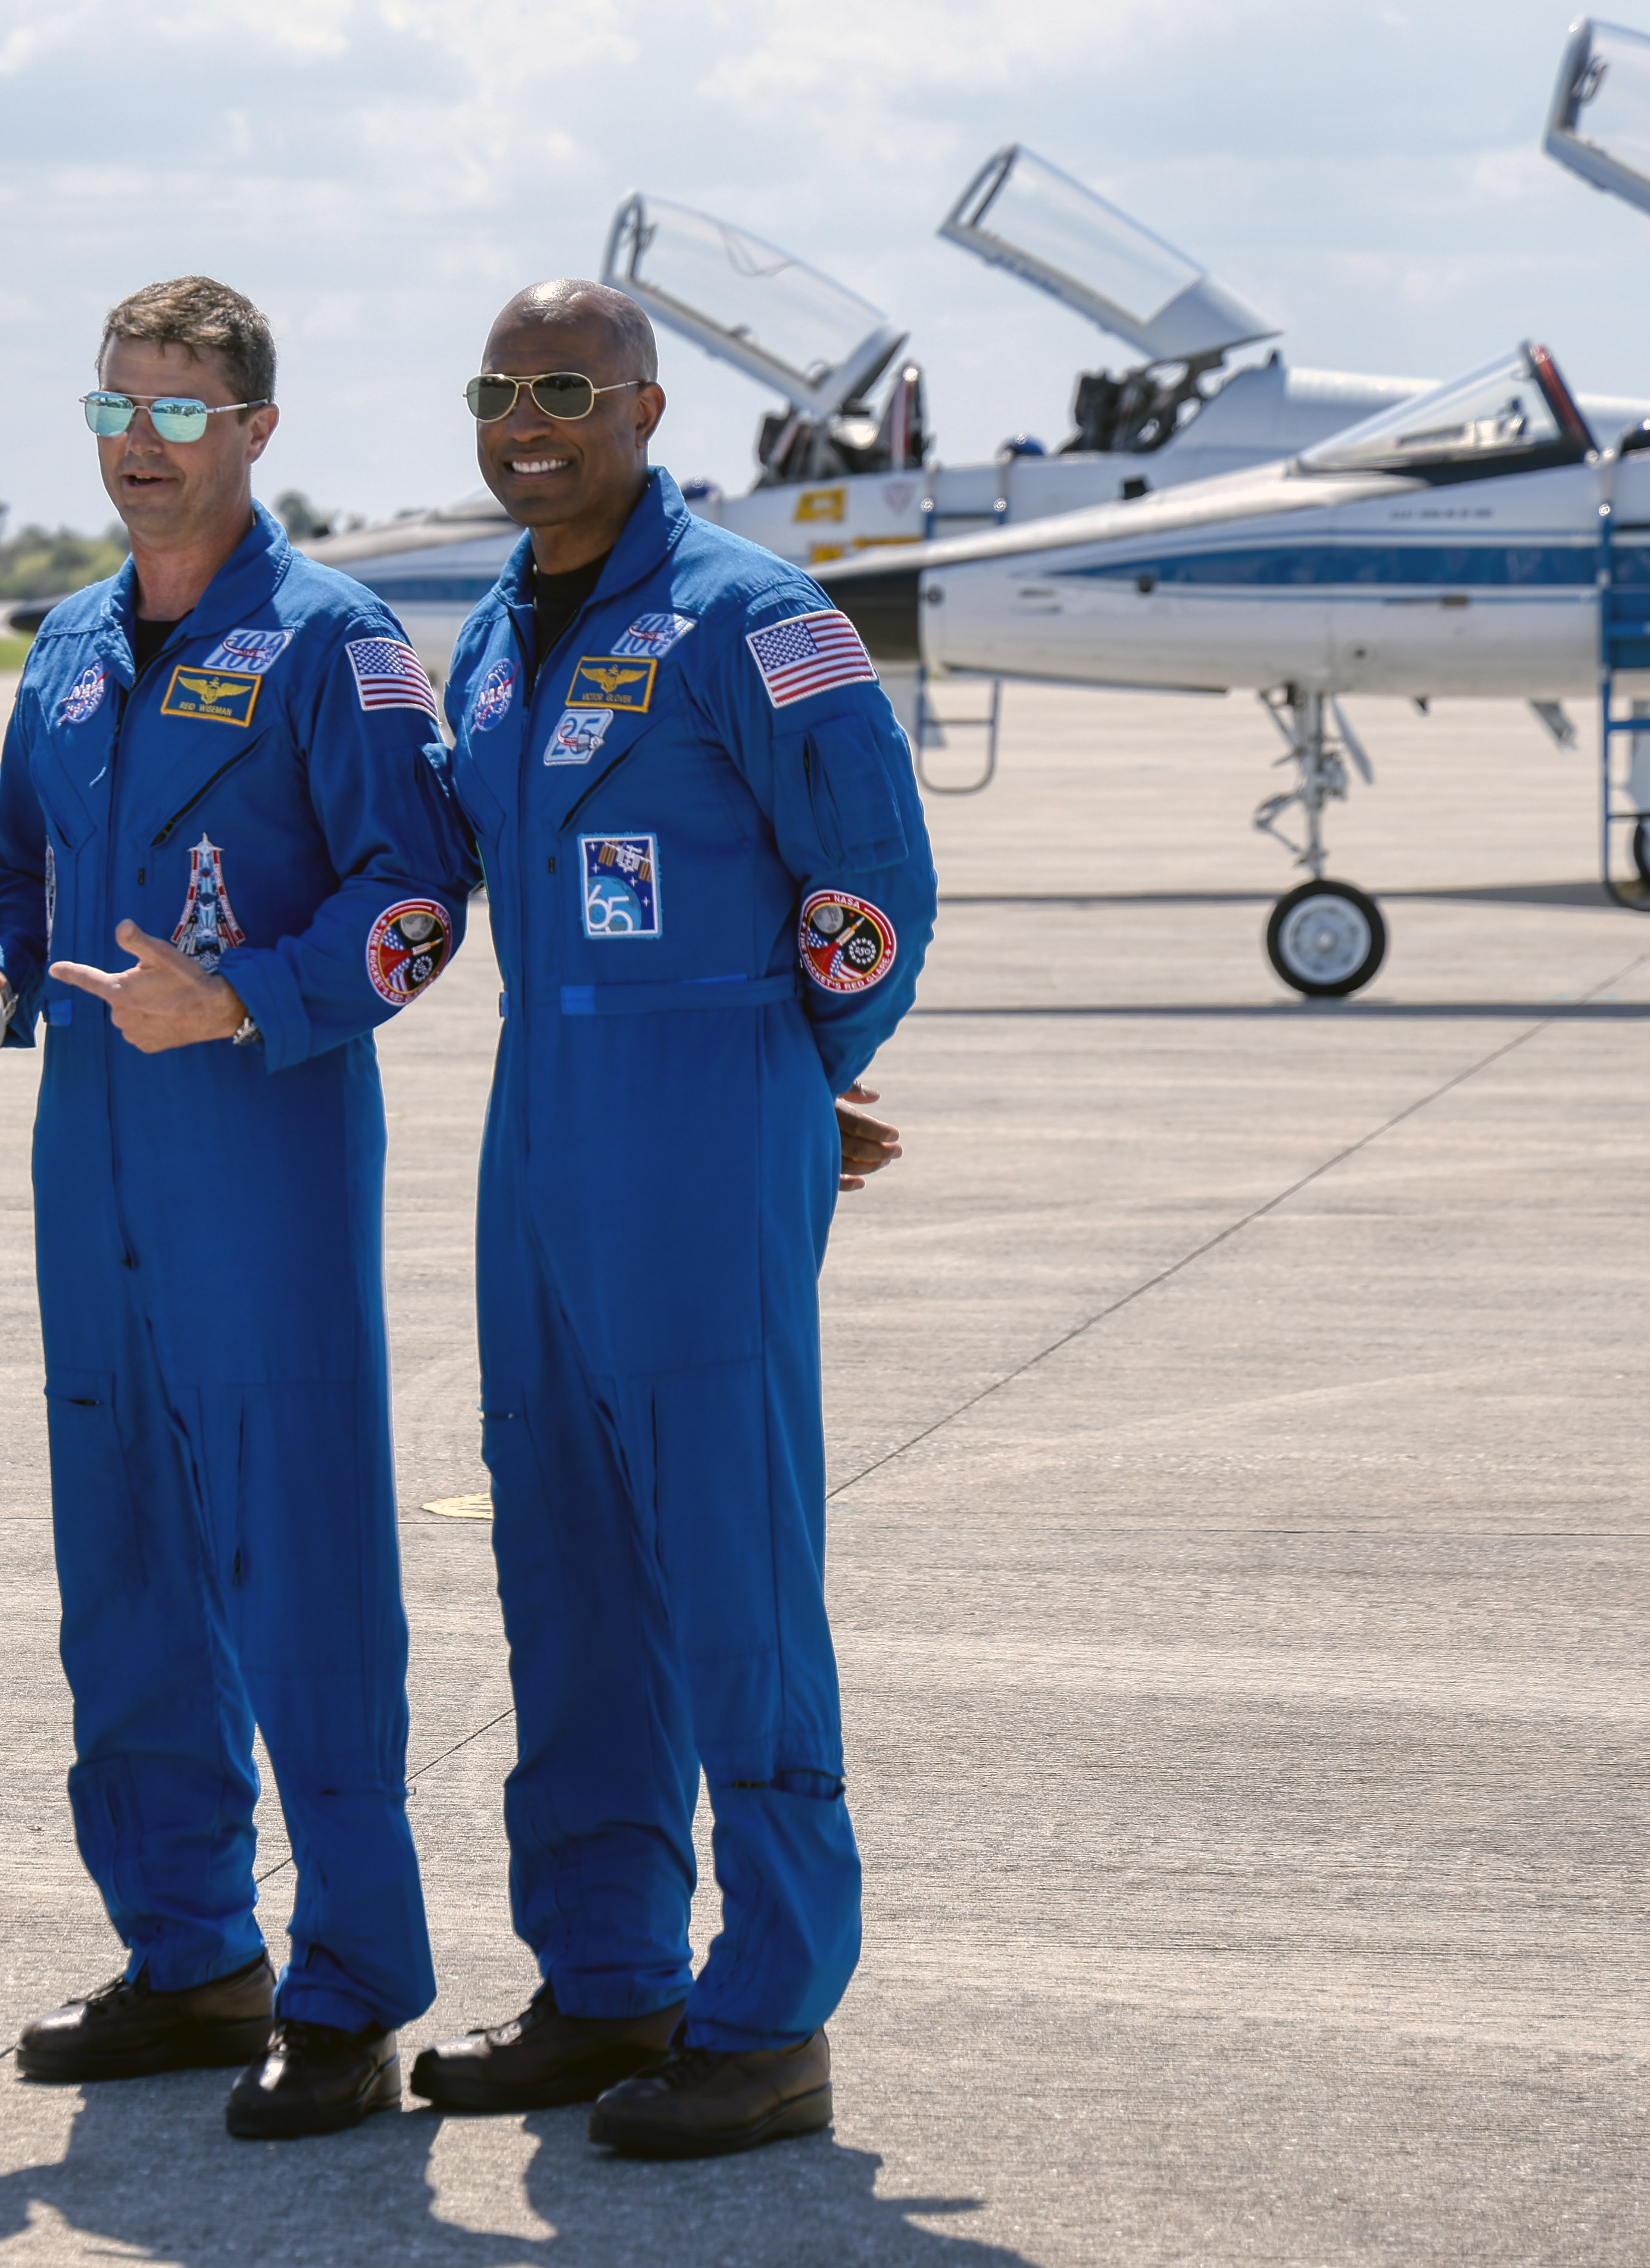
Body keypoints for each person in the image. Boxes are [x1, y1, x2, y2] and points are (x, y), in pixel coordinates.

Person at [404, 280, 934, 2158]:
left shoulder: (755, 618)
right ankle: (608, 1973)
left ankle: (771, 2003)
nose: (525, 418)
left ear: (639, 404)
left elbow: (868, 885)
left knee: (727, 1559)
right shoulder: (486, 634)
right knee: (563, 1566)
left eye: (563, 387)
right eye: (498, 389)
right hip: (534, 1143)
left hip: (700, 1129)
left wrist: (792, 1080)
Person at [0, 277, 474, 2140]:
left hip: (252, 1156)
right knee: (120, 1573)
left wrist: (254, 991)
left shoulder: (330, 646)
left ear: (254, 432)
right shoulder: (63, 651)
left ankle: (348, 1985)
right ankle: (188, 1949)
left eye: (179, 410)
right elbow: (14, 870)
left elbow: (418, 894)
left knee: (302, 1573)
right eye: (116, 404)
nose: (140, 440)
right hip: (86, 1166)